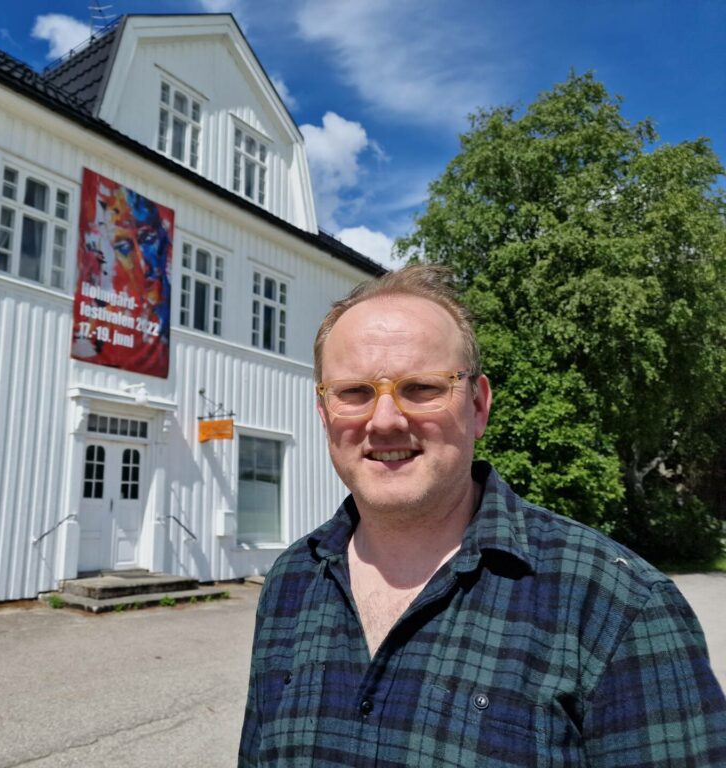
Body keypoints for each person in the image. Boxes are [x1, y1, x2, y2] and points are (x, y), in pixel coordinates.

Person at [238, 264, 726, 767]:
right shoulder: (291, 582)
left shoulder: (615, 605)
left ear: (478, 406)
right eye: (354, 393)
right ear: (324, 413)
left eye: (422, 388)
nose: (384, 419)